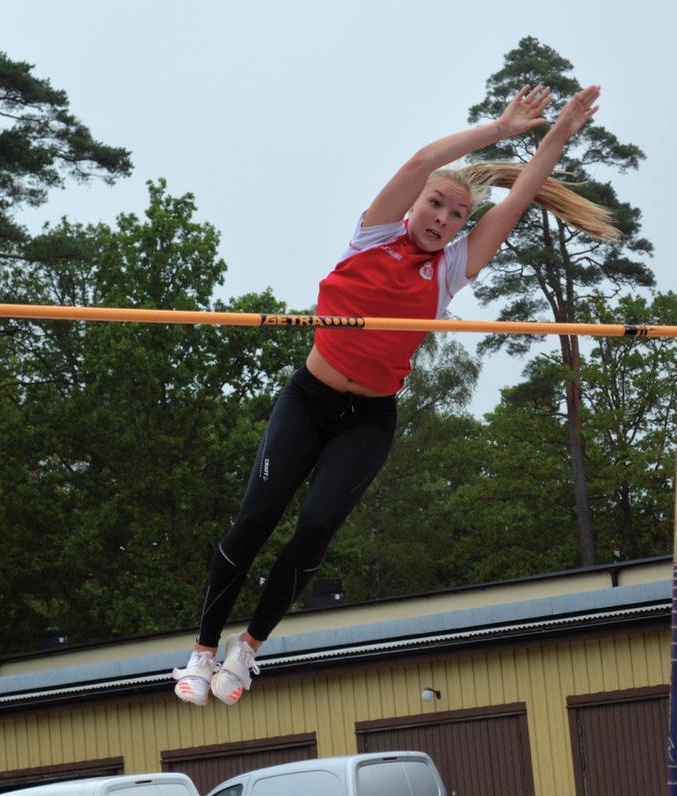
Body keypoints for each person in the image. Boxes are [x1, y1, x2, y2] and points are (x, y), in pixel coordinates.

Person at [172, 83, 620, 706]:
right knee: (255, 519)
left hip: (368, 419)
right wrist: (499, 127)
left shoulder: (452, 269)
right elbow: (416, 164)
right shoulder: (373, 234)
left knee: (317, 527)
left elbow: (518, 200)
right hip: (308, 401)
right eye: (435, 204)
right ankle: (200, 651)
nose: (442, 219)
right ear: (414, 205)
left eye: (456, 215)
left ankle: (247, 649)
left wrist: (559, 135)